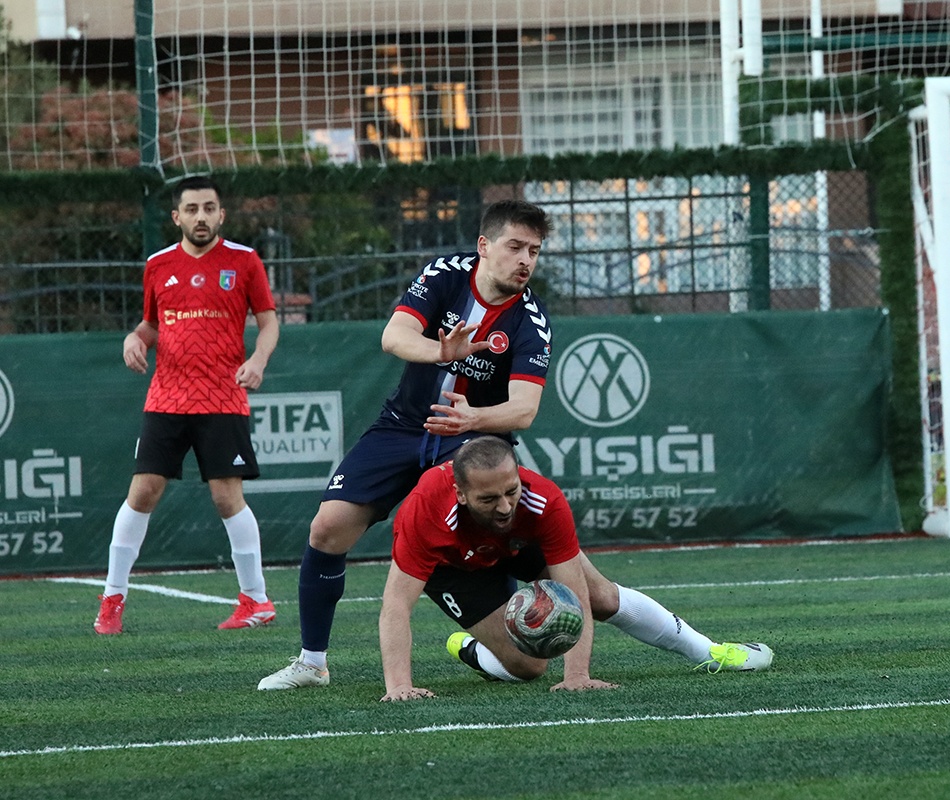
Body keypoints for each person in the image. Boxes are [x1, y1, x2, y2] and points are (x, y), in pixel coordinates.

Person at [259, 200, 556, 689]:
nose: (525, 260)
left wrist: (471, 419)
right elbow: (394, 336)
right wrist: (440, 351)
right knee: (327, 528)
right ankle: (312, 663)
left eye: (535, 251)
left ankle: (496, 622)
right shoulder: (444, 273)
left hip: (471, 440)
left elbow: (524, 409)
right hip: (403, 426)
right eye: (515, 247)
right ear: (484, 246)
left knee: (527, 656)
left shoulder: (531, 317)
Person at [377, 436, 773, 700]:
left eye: (511, 490)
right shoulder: (426, 510)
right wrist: (399, 686)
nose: (504, 506)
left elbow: (574, 593)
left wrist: (577, 676)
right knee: (529, 667)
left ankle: (709, 651)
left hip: (519, 544)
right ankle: (472, 649)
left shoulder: (544, 501)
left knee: (601, 596)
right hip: (455, 568)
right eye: (489, 498)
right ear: (460, 494)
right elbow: (396, 604)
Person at [94, 176, 280, 634]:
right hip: (167, 395)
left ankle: (256, 600)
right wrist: (134, 339)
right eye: (192, 209)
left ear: (221, 214)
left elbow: (269, 322)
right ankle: (112, 599)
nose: (201, 217)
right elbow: (150, 325)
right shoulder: (158, 265)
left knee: (226, 496)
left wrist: (258, 360)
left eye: (209, 208)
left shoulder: (244, 261)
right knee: (143, 491)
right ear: (177, 217)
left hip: (222, 395)